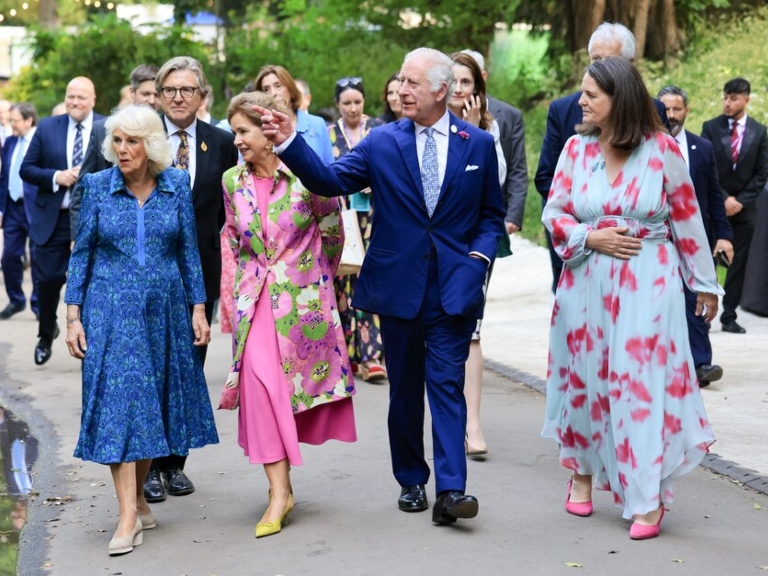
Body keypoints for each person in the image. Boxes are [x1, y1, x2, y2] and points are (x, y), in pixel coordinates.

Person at [258, 47, 505, 526]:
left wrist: (478, 260)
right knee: (406, 390)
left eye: (413, 83)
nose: (402, 91)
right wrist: (290, 143)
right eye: (401, 82)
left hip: (456, 284)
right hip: (398, 285)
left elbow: (490, 217)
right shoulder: (381, 142)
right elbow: (329, 181)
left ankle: (452, 491)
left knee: (447, 386)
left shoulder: (476, 144)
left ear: (441, 89)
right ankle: (412, 478)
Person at [542, 57, 722, 540]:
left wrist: (705, 283)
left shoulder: (662, 150)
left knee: (638, 385)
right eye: (582, 93)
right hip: (585, 282)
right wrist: (588, 237)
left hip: (648, 280)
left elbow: (687, 219)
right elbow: (554, 212)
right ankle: (581, 473)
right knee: (586, 376)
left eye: (591, 95)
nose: (581, 101)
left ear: (618, 99)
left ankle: (646, 498)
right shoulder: (576, 150)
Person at [64, 104, 219, 555]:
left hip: (165, 310)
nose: (123, 149)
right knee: (119, 404)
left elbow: (189, 250)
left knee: (153, 404)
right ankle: (128, 515)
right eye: (117, 140)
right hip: (110, 309)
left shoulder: (174, 185)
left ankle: (138, 504)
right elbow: (82, 254)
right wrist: (72, 316)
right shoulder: (96, 187)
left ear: (151, 145)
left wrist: (198, 308)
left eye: (132, 141)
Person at [218, 91, 356, 538]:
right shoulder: (230, 182)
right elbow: (238, 242)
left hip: (303, 301)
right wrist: (238, 293)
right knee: (259, 386)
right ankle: (279, 492)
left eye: (243, 131)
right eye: (234, 131)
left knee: (286, 388)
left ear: (267, 129)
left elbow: (332, 230)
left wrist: (316, 281)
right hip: (254, 299)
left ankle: (283, 488)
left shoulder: (304, 177)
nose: (237, 139)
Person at [140, 56, 238, 503]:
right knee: (151, 367)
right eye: (170, 90)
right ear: (158, 96)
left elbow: (236, 205)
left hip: (203, 269)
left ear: (202, 96)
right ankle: (148, 466)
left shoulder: (221, 142)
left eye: (187, 90)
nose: (179, 98)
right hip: (148, 272)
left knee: (190, 368)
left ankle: (175, 463)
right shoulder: (140, 138)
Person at [536, 22, 669, 293]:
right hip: (578, 236)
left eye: (609, 60)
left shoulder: (653, 110)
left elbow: (665, 182)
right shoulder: (564, 110)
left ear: (631, 65)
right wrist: (589, 224)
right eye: (595, 60)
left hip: (634, 250)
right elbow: (545, 177)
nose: (601, 67)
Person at [448, 51, 508, 456]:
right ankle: (445, 416)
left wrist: (474, 135)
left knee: (470, 331)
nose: (458, 90)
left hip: (473, 243)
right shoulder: (424, 125)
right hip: (436, 240)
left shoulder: (489, 128)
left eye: (466, 83)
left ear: (478, 89)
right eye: (451, 81)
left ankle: (472, 423)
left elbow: (496, 181)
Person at [20, 76, 103, 366]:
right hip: (52, 218)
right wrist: (57, 176)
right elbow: (26, 169)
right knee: (48, 281)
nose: (75, 102)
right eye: (70, 96)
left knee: (91, 282)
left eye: (81, 97)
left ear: (93, 99)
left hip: (92, 219)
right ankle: (46, 332)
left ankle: (86, 341)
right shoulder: (47, 127)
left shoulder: (106, 127)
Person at [657, 85, 734, 387]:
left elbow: (714, 195)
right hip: (658, 238)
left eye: (677, 109)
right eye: (666, 109)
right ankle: (668, 362)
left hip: (696, 240)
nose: (672, 115)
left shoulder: (701, 148)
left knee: (700, 297)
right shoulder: (645, 147)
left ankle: (701, 364)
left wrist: (724, 236)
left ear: (687, 111)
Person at [328, 77, 386, 381]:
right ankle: (347, 355)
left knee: (371, 279)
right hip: (342, 217)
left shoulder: (378, 130)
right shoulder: (329, 135)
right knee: (343, 282)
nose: (352, 108)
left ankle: (372, 354)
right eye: (347, 103)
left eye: (357, 102)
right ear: (338, 104)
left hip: (375, 216)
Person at [701, 78, 768, 334]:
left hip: (745, 210)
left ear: (746, 100)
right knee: (709, 261)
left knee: (737, 264)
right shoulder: (710, 127)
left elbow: (761, 174)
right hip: (716, 206)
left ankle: (729, 316)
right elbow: (707, 167)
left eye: (734, 98)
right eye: (725, 97)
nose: (727, 103)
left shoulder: (760, 131)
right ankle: (705, 315)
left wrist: (739, 201)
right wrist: (725, 198)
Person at [70, 64, 160, 239]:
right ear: (132, 93)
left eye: (157, 94)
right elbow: (82, 190)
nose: (152, 100)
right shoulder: (103, 130)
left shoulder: (165, 133)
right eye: (146, 94)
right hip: (109, 237)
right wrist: (77, 237)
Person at [461, 49, 528, 235]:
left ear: (480, 79)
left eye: (465, 81)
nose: (458, 88)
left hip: (489, 213)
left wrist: (513, 215)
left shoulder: (503, 118)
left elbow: (517, 168)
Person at [0, 103, 39, 321]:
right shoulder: (11, 142)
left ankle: (38, 304)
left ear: (28, 120)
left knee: (37, 258)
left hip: (35, 208)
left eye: (14, 120)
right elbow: (4, 176)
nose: (10, 123)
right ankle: (16, 300)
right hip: (13, 207)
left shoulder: (40, 141)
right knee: (9, 257)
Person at [254, 65, 334, 165]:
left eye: (278, 86)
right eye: (266, 89)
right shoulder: (258, 130)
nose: (273, 93)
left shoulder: (317, 124)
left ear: (291, 89)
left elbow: (330, 169)